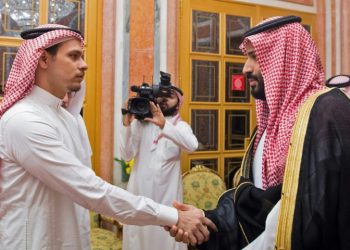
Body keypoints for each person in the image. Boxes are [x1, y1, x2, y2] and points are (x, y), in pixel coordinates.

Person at [0, 24, 209, 249]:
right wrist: (175, 217)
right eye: (74, 56)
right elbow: (91, 189)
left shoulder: (66, 118)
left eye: (82, 56)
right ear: (42, 59)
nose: (84, 64)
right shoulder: (24, 120)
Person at [168, 15, 350, 250]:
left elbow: (314, 214)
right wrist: (210, 220)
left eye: (255, 57)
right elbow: (254, 203)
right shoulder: (268, 127)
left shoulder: (329, 112)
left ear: (286, 59)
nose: (245, 68)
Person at [119, 85, 199, 250]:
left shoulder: (181, 127)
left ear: (178, 103)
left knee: (166, 242)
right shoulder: (141, 124)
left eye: (169, 96)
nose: (163, 99)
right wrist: (126, 125)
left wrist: (164, 125)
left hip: (167, 201)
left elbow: (192, 146)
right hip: (140, 197)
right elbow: (126, 155)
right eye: (160, 96)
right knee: (138, 241)